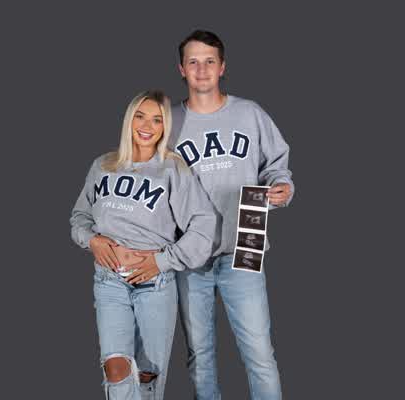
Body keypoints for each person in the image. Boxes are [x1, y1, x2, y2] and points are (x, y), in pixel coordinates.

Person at [170, 30, 295, 400]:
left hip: (244, 246)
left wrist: (283, 187)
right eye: (193, 61)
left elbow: (277, 166)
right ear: (181, 69)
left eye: (209, 61)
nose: (202, 69)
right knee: (200, 356)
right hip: (190, 255)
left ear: (222, 67)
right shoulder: (167, 122)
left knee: (259, 354)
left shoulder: (249, 113)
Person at [70, 90, 217, 400]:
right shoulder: (103, 165)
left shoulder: (173, 169)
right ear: (129, 120)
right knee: (115, 367)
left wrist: (161, 261)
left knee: (150, 376)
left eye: (157, 120)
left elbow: (204, 226)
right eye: (140, 116)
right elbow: (79, 217)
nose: (147, 126)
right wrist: (92, 240)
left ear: (165, 127)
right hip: (109, 281)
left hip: (155, 284)